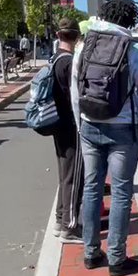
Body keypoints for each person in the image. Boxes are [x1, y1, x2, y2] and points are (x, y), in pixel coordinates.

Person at [71, 0, 138, 276]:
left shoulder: (84, 46)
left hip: (89, 125)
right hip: (123, 131)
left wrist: (80, 122)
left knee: (92, 188)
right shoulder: (137, 53)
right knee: (121, 193)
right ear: (130, 20)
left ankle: (90, 252)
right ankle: (117, 260)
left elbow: (76, 90)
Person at [50, 18, 82, 242]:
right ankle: (69, 227)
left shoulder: (54, 59)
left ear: (59, 35)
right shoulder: (70, 62)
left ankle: (60, 219)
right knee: (73, 176)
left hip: (57, 123)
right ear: (77, 37)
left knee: (64, 174)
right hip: (71, 124)